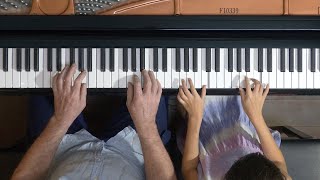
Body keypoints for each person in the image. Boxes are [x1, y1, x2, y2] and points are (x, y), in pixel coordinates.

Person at [12, 64, 176, 180]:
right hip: (134, 152)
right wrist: (147, 126)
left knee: (41, 73)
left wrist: (60, 121)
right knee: (155, 79)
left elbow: (25, 177)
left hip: (60, 152)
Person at [177, 77, 292, 180]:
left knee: (189, 91)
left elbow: (189, 169)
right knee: (239, 83)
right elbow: (278, 162)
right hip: (244, 125)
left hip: (208, 132)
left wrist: (194, 117)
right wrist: (256, 116)